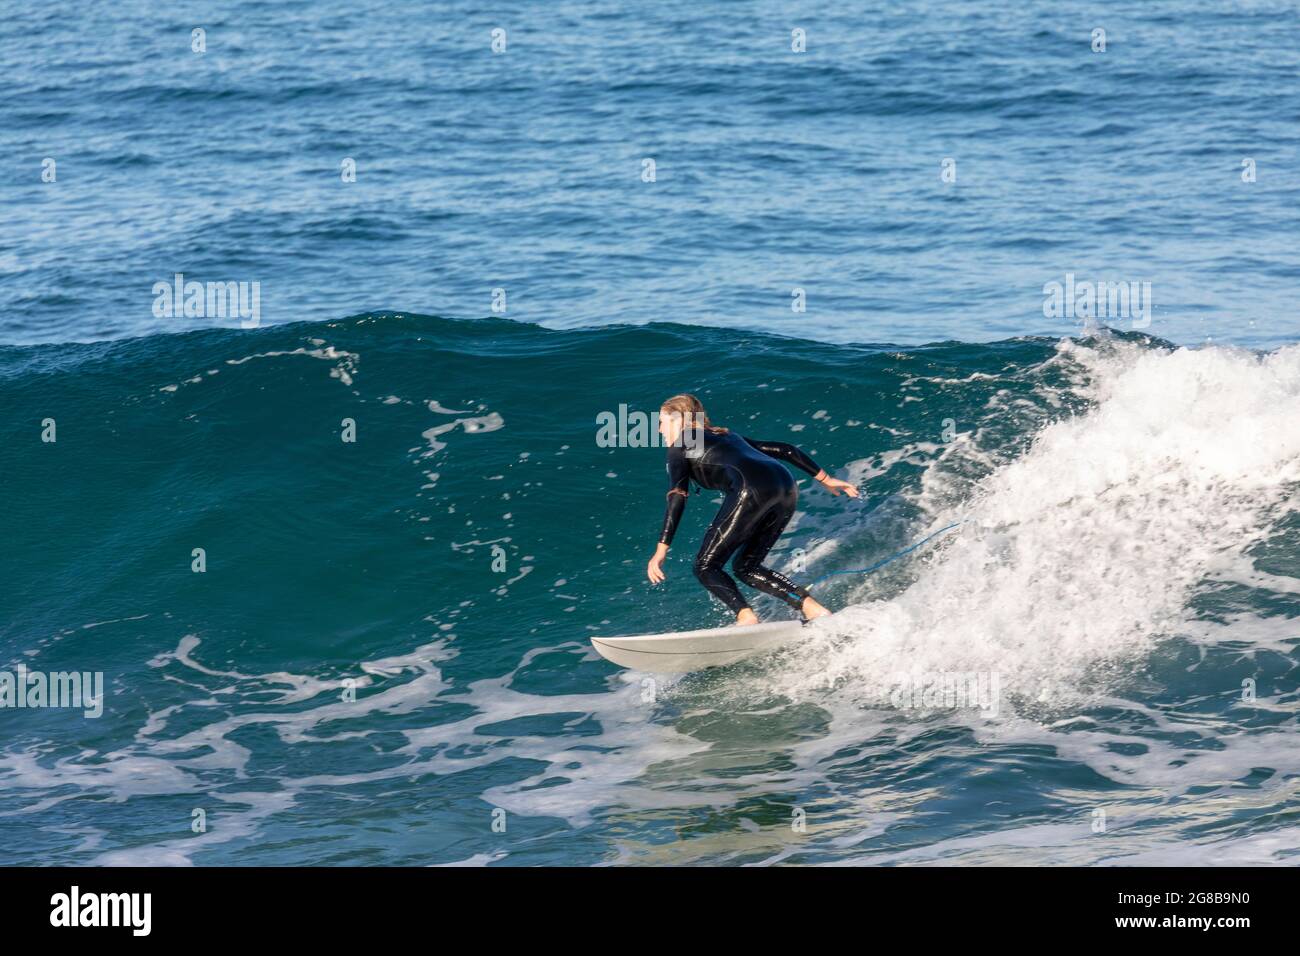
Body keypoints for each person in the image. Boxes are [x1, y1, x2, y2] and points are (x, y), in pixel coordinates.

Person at [647, 393, 860, 625]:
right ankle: (813, 609)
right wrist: (826, 479)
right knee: (746, 567)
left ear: (676, 419)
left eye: (661, 422)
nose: (659, 430)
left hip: (751, 489)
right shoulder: (727, 435)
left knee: (705, 566)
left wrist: (661, 550)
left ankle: (746, 617)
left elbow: (677, 495)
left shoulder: (682, 441)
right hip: (785, 486)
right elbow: (785, 450)